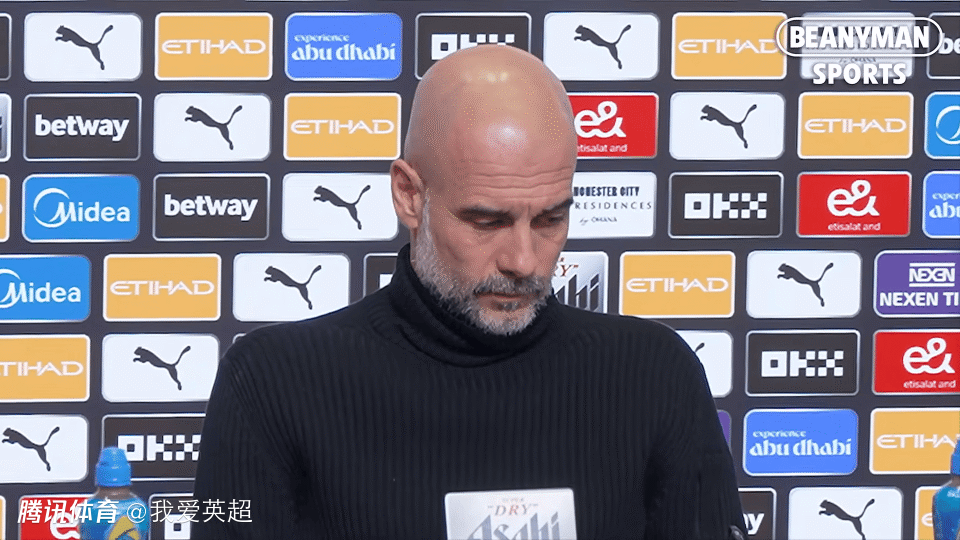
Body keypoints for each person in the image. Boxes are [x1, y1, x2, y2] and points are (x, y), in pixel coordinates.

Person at [191, 45, 746, 539]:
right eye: (487, 221)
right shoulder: (271, 383)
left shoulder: (655, 374)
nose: (522, 261)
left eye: (550, 219)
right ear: (410, 196)